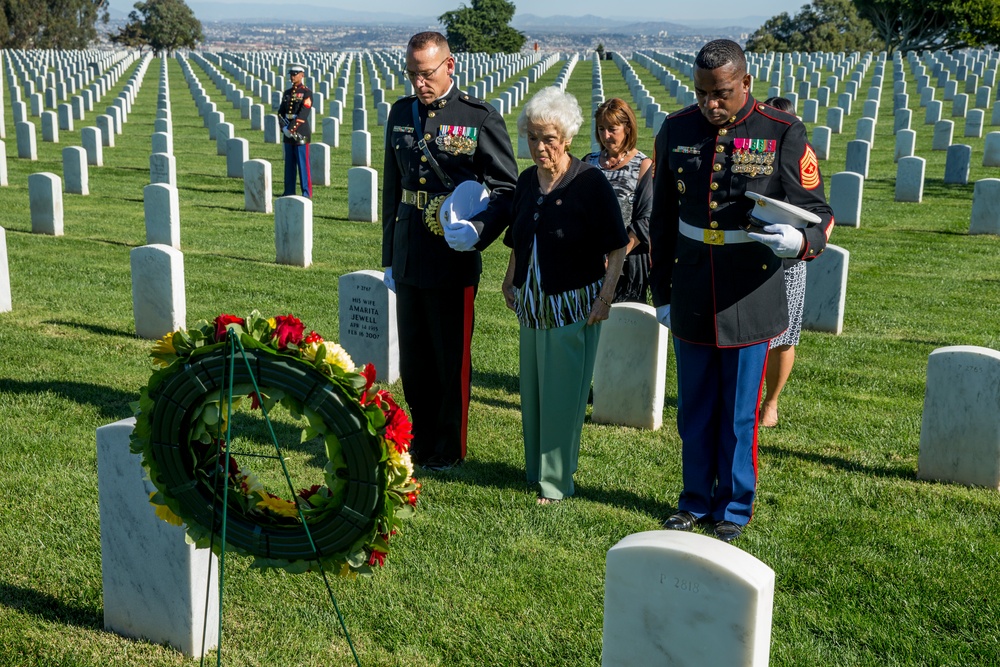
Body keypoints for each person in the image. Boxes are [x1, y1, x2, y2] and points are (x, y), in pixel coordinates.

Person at [650, 40, 834, 541]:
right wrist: (660, 291)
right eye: (703, 93)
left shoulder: (782, 132)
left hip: (750, 291)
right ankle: (693, 500)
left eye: (723, 93)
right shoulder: (677, 128)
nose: (711, 104)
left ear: (746, 83)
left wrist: (801, 241)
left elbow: (820, 213)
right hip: (691, 287)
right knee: (695, 407)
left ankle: (733, 507)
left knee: (738, 412)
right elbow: (663, 217)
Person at [445, 87, 629, 503]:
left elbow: (616, 245)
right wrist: (510, 279)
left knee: (563, 397)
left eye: (548, 138)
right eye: (532, 137)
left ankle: (556, 481)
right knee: (533, 393)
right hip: (532, 303)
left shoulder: (590, 182)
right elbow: (519, 235)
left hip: (572, 304)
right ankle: (535, 470)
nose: (540, 146)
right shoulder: (527, 180)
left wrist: (605, 298)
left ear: (565, 138)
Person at [381, 31, 518, 470]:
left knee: (450, 356)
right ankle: (417, 438)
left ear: (449, 66)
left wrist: (478, 230)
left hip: (452, 253)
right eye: (412, 74)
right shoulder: (401, 113)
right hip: (409, 248)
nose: (419, 83)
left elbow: (506, 188)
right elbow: (392, 187)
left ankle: (449, 446)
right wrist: (389, 254)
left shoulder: (478, 117)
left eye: (426, 74)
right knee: (415, 355)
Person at [761, 96, 806, 428]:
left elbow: (814, 209)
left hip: (789, 257)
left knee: (784, 335)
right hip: (751, 250)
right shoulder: (753, 156)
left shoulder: (802, 160)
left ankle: (771, 402)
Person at [583, 98, 653, 303]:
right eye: (601, 128)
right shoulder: (588, 162)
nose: (606, 135)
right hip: (589, 260)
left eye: (612, 129)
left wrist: (616, 258)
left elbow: (645, 220)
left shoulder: (643, 165)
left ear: (628, 128)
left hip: (628, 261)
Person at [278, 63, 312, 198]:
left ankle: (306, 193)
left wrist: (291, 129)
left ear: (302, 75)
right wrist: (283, 128)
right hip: (288, 134)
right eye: (291, 74)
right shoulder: (287, 93)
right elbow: (281, 112)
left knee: (303, 165)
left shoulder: (306, 92)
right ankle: (289, 191)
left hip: (300, 133)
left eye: (295, 74)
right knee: (289, 166)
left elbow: (304, 113)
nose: (292, 76)